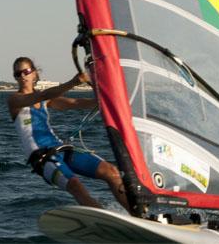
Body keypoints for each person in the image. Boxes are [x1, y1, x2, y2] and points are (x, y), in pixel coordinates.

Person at [7, 56, 129, 212]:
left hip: (61, 148)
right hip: (42, 158)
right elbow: (43, 95)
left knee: (111, 172)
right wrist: (74, 82)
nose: (23, 76)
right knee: (75, 185)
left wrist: (103, 101)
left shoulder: (46, 101)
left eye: (26, 71)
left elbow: (75, 103)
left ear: (34, 73)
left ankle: (139, 216)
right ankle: (108, 221)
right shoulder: (15, 100)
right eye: (18, 74)